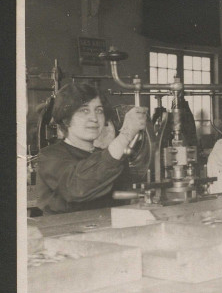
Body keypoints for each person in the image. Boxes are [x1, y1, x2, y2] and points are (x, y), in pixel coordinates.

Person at [36, 82, 147, 215]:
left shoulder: (109, 157)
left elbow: (125, 201)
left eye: (99, 111)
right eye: (84, 110)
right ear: (66, 119)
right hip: (63, 234)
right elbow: (78, 188)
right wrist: (126, 134)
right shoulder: (49, 157)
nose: (94, 118)